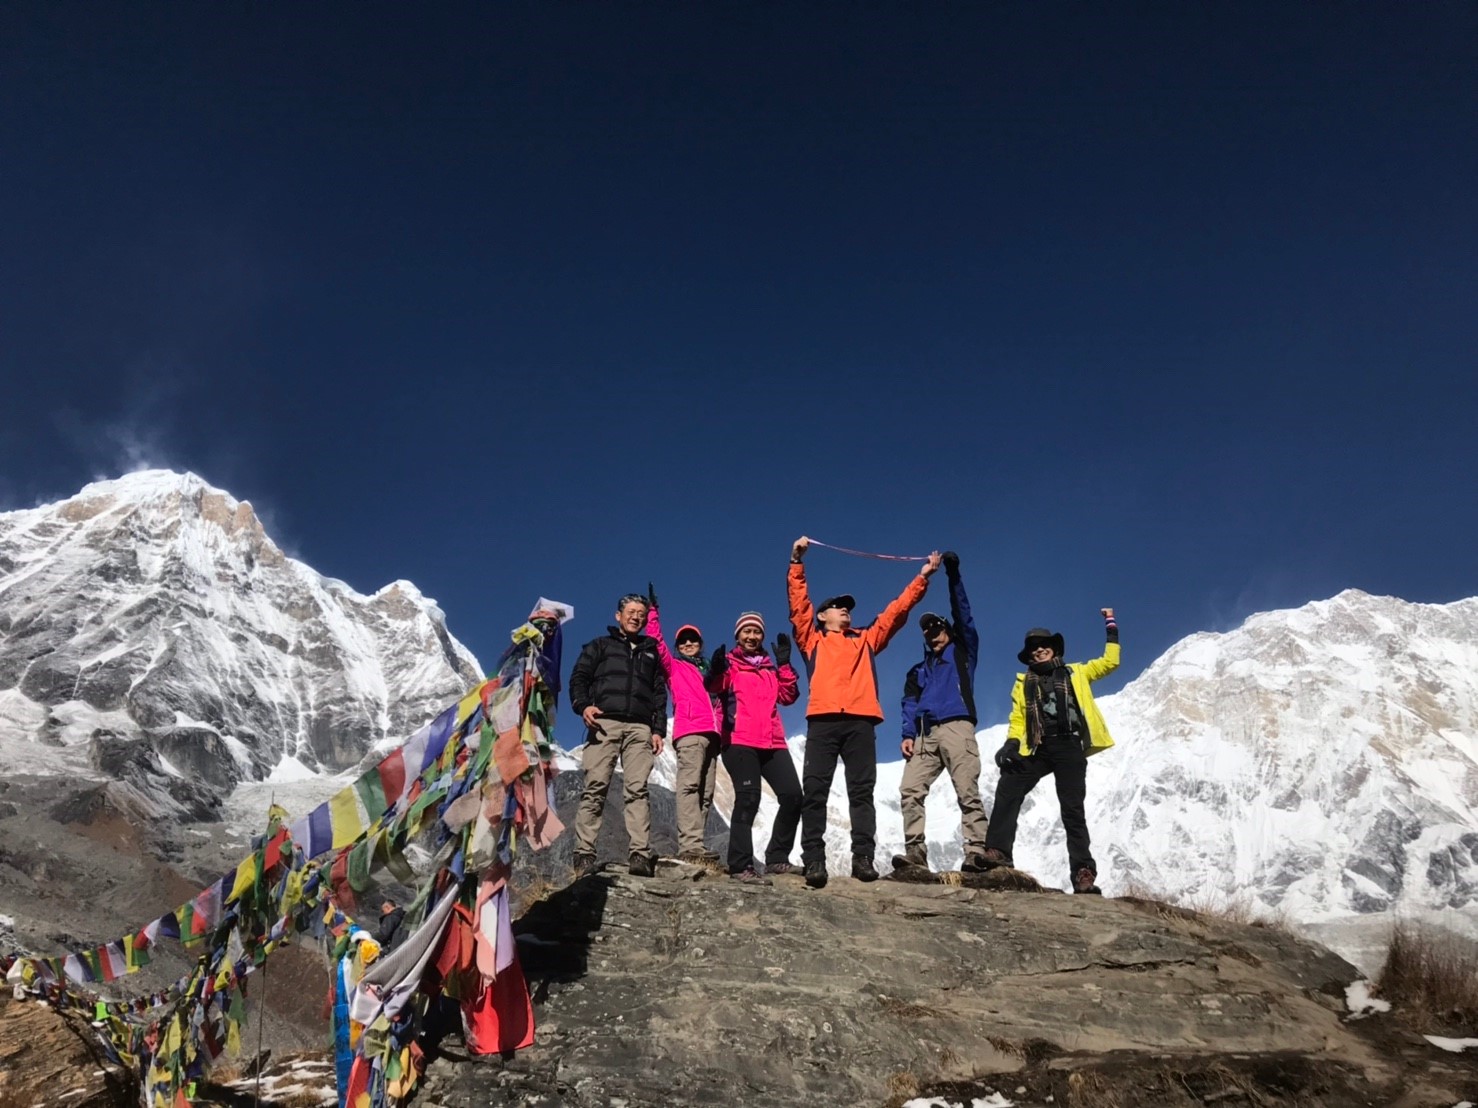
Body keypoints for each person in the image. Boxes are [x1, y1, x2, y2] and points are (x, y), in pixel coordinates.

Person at [788, 536, 941, 888]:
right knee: (815, 791)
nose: (846, 609)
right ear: (822, 615)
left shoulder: (866, 638)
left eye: (848, 607)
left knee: (861, 793)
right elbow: (798, 605)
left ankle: (863, 859)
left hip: (860, 720)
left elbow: (897, 612)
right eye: (838, 606)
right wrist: (797, 562)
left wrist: (923, 578)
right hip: (823, 720)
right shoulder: (811, 639)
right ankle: (813, 859)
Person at [982, 609, 1120, 894]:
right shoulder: (1024, 683)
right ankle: (998, 852)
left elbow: (1110, 662)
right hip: (1039, 745)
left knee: (1072, 809)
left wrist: (1111, 627)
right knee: (1010, 783)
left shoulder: (1077, 672)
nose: (1038, 650)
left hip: (1069, 745)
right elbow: (1019, 718)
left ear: (1054, 649)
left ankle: (1083, 872)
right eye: (1033, 648)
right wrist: (1011, 744)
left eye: (1043, 645)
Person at [895, 551, 988, 872]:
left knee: (966, 790)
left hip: (957, 727)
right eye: (927, 631)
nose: (932, 633)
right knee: (909, 791)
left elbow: (964, 614)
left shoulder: (962, 652)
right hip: (924, 734)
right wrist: (908, 734)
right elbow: (908, 703)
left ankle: (977, 852)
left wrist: (953, 575)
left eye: (936, 628)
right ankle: (915, 855)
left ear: (947, 630)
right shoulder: (918, 671)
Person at [568, 593, 669, 878]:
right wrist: (583, 705)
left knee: (637, 789)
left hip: (640, 727)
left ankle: (640, 853)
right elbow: (579, 678)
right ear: (618, 615)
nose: (636, 616)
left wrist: (658, 729)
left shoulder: (651, 653)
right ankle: (584, 854)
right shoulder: (600, 645)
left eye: (641, 613)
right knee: (596, 786)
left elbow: (659, 694)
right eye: (631, 611)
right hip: (604, 722)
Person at [710, 612, 801, 881]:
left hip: (772, 740)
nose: (752, 636)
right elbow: (714, 686)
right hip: (739, 741)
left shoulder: (771, 669)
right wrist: (715, 670)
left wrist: (784, 665)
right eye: (746, 631)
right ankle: (740, 865)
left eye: (757, 632)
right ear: (737, 635)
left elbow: (788, 696)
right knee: (749, 798)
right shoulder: (729, 665)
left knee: (793, 796)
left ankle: (777, 858)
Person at [643, 584, 722, 865]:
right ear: (679, 647)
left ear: (700, 643)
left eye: (693, 641)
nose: (689, 644)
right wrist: (653, 613)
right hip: (689, 732)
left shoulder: (710, 671)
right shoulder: (674, 667)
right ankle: (690, 845)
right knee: (689, 787)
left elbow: (721, 704)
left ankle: (696, 844)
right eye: (684, 642)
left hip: (713, 736)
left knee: (706, 792)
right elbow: (657, 643)